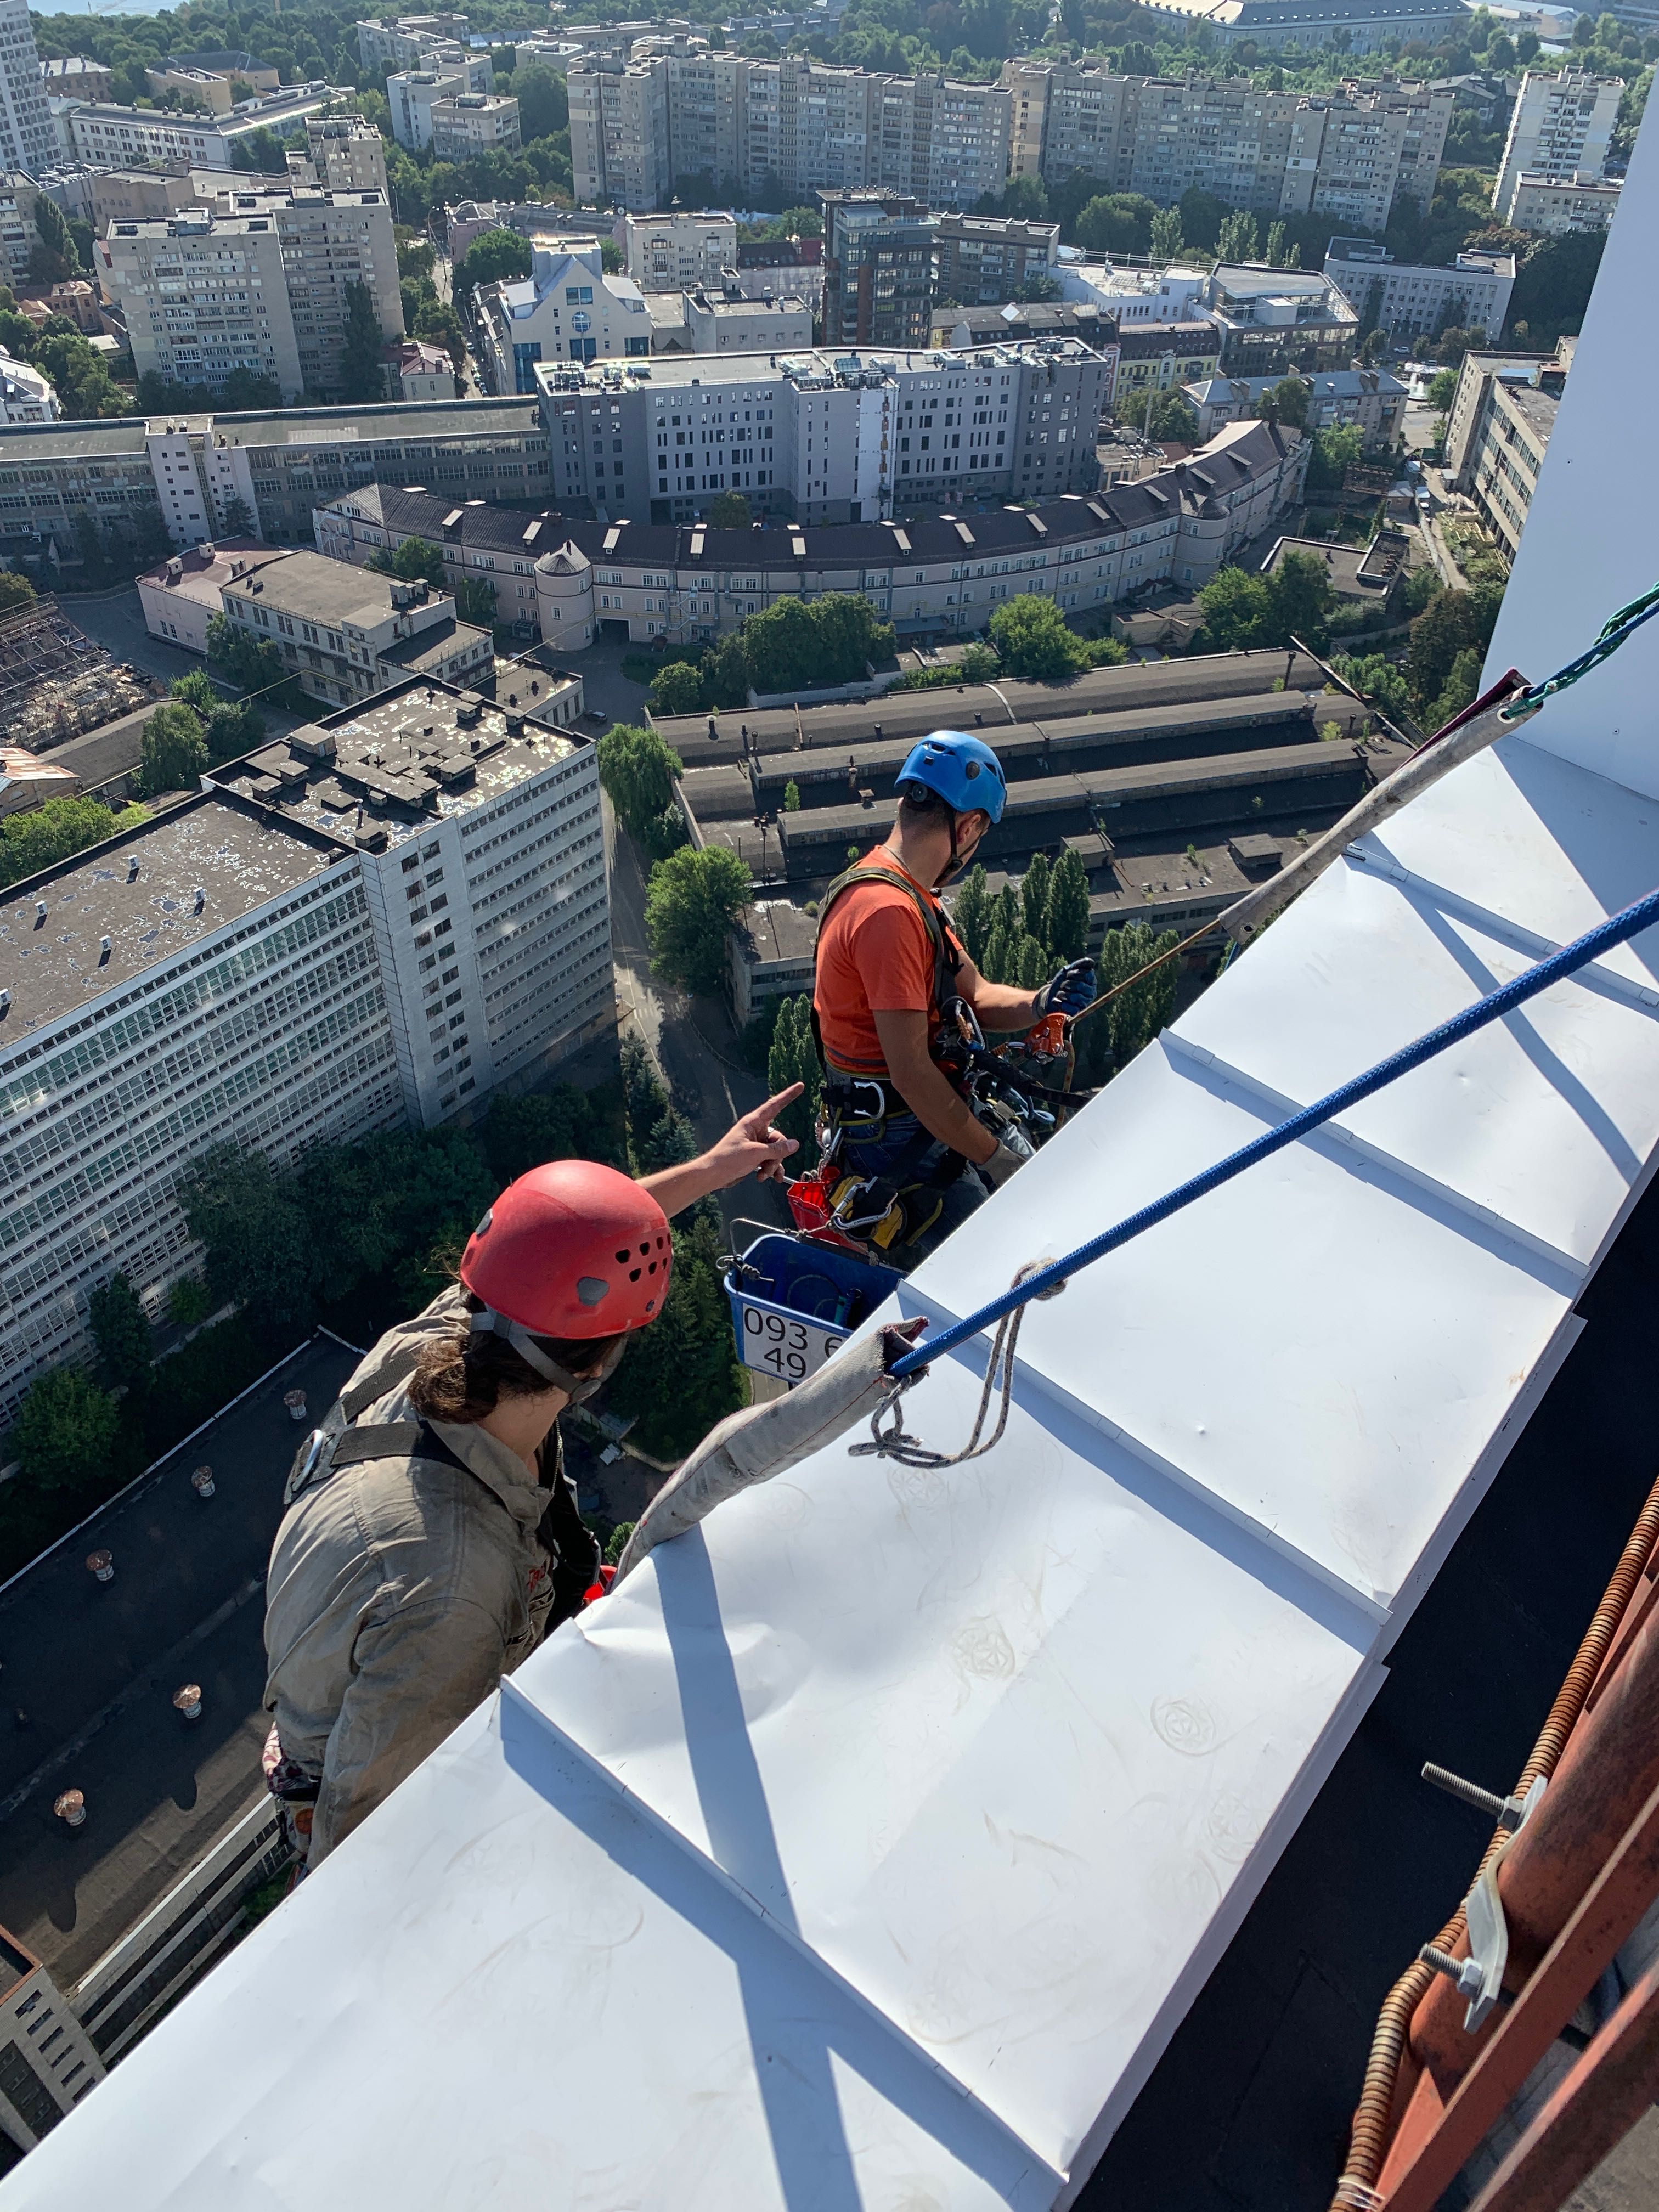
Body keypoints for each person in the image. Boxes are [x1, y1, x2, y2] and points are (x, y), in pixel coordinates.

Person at [262, 1089, 803, 1870]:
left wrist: (713, 1171)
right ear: (601, 1363)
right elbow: (368, 1848)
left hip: (369, 1665)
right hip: (378, 1763)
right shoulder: (454, 1589)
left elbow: (551, 1250)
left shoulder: (440, 1338)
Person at [810, 730, 1095, 1262]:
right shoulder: (888, 914)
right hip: (898, 1143)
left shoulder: (907, 897)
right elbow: (911, 1072)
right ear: (969, 826)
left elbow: (978, 997)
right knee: (1013, 1259)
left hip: (919, 1121)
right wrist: (995, 1160)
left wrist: (1040, 1001)